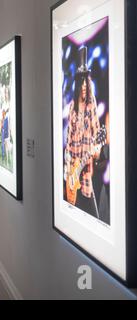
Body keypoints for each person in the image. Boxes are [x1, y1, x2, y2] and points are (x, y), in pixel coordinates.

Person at [64, 47, 104, 219]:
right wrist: (68, 172)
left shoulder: (91, 104)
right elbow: (68, 141)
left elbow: (97, 132)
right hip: (73, 170)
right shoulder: (73, 106)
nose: (84, 86)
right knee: (73, 216)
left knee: (92, 216)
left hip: (85, 171)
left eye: (87, 82)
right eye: (82, 82)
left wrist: (97, 150)